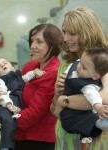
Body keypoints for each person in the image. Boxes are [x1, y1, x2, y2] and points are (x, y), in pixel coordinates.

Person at [0, 23, 62, 150]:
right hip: (20, 135)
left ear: (53, 44)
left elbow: (33, 114)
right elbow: (13, 86)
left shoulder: (53, 72)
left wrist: (6, 120)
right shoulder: (31, 66)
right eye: (32, 41)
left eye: (39, 42)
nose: (32, 46)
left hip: (38, 140)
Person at [50, 7, 108, 150]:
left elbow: (104, 99)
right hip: (65, 137)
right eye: (64, 32)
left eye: (72, 34)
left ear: (88, 33)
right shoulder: (66, 64)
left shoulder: (104, 61)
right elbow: (54, 111)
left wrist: (64, 100)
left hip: (93, 139)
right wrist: (58, 94)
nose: (65, 39)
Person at [55, 46, 108, 143]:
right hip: (66, 113)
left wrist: (98, 107)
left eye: (84, 67)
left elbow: (93, 97)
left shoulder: (89, 86)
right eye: (80, 62)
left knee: (87, 120)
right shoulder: (78, 64)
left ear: (95, 75)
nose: (79, 66)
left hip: (77, 115)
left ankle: (98, 125)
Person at [0, 57, 45, 150]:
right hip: (5, 107)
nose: (2, 65)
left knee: (11, 126)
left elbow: (25, 78)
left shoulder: (17, 75)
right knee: (8, 123)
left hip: (15, 107)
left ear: (12, 67)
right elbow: (2, 95)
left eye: (5, 62)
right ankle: (5, 147)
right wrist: (9, 105)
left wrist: (34, 73)